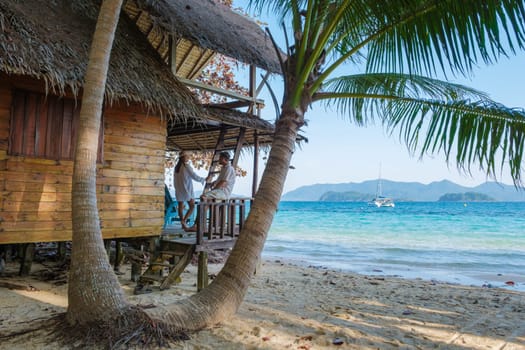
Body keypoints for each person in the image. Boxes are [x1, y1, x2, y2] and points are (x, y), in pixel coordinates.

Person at [184, 151, 236, 232]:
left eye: (220, 158)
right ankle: (197, 225)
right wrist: (214, 183)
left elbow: (223, 182)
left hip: (223, 193)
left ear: (225, 159)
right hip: (219, 192)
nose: (218, 159)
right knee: (205, 205)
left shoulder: (229, 169)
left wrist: (214, 189)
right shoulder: (224, 168)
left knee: (203, 197)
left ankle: (198, 225)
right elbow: (220, 180)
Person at [173, 151, 205, 229]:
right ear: (183, 157)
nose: (188, 158)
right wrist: (203, 179)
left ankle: (182, 223)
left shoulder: (176, 168)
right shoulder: (186, 166)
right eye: (187, 156)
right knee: (192, 206)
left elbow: (174, 180)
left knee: (180, 206)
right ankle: (184, 221)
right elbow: (194, 176)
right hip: (186, 189)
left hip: (179, 189)